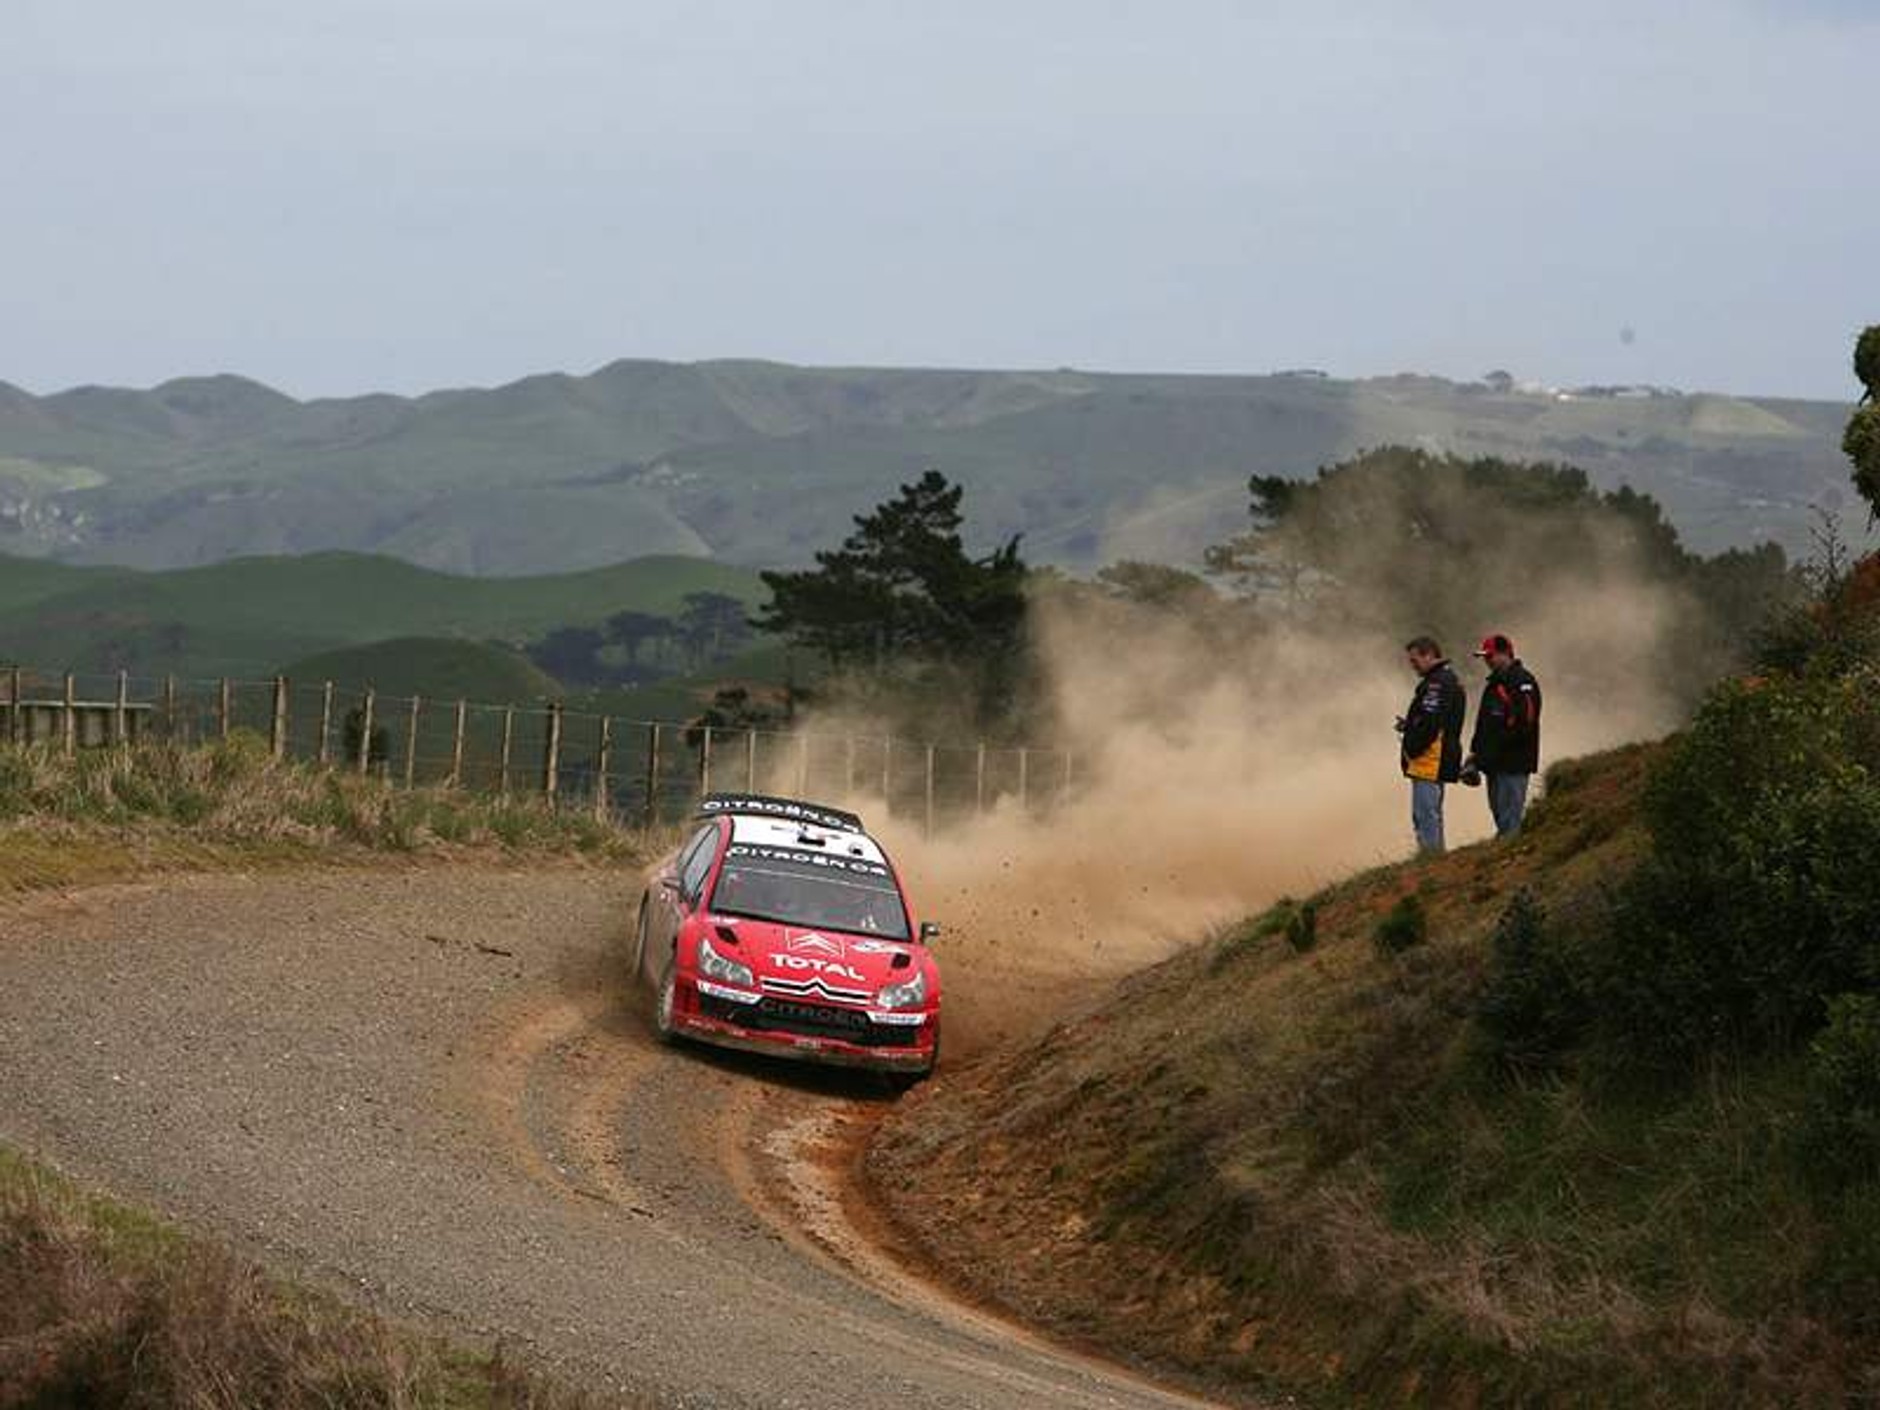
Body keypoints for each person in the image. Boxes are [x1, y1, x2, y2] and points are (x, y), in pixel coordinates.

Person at [1465, 632, 1543, 837]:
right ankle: (1505, 851)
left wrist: (1497, 746)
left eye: (1490, 656)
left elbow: (1526, 721)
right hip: (1493, 763)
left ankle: (1514, 859)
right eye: (1485, 657)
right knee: (1499, 813)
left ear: (1505, 654)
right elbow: (1483, 723)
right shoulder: (1493, 684)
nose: (1487, 661)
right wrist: (1476, 753)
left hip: (1514, 762)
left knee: (1510, 817)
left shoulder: (1522, 681)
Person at [1398, 636, 1466, 854]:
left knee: (1426, 815)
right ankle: (1432, 857)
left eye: (1415, 660)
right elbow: (1431, 720)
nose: (1413, 666)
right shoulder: (1443, 679)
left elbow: (1431, 724)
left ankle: (1431, 859)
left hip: (1431, 760)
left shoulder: (1438, 682)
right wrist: (1409, 726)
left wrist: (1412, 747)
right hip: (1433, 758)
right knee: (1428, 814)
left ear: (1429, 655)